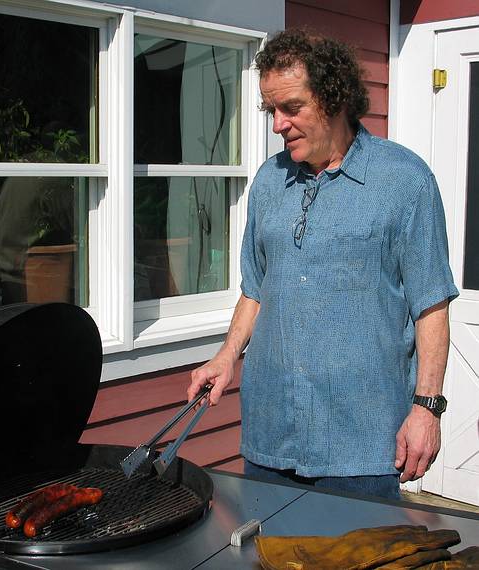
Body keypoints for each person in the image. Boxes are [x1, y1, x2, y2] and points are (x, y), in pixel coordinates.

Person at [188, 29, 459, 500]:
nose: (277, 124)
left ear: (333, 98)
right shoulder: (269, 183)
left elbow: (430, 305)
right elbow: (255, 289)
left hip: (362, 445)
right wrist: (226, 355)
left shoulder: (404, 181)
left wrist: (426, 409)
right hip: (271, 434)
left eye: (291, 107)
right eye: (271, 109)